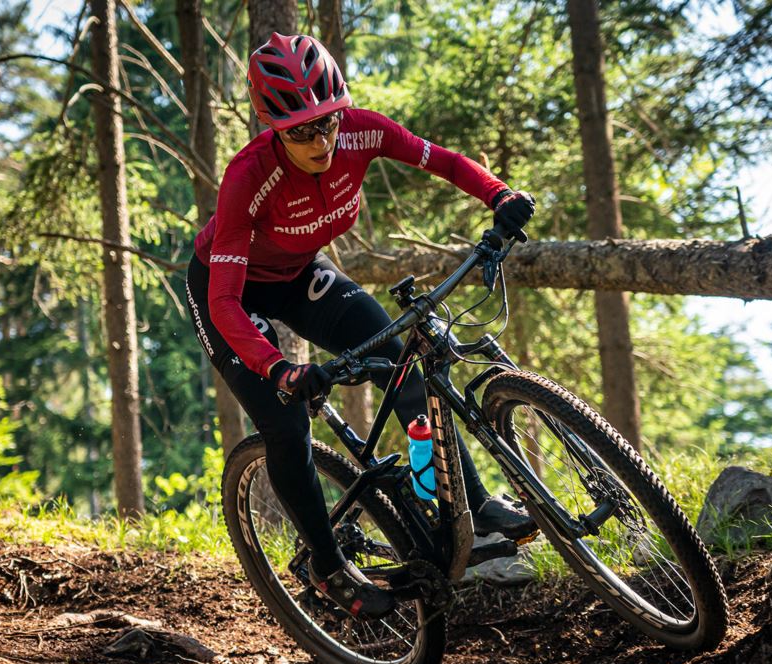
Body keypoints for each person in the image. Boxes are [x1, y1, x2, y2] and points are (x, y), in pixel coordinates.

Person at [186, 33, 537, 619]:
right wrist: (278, 367)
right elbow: (223, 300)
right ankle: (326, 566)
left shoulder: (364, 131)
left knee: (401, 363)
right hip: (230, 287)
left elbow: (442, 160)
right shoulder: (249, 175)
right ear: (274, 127)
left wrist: (497, 194)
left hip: (298, 274)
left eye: (327, 122)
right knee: (286, 420)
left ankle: (470, 508)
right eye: (300, 131)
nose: (320, 140)